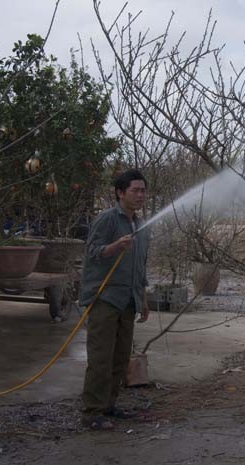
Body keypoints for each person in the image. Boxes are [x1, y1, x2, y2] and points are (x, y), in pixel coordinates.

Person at [79, 169, 150, 430]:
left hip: (129, 300)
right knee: (100, 357)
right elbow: (91, 253)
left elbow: (141, 266)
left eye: (143, 190)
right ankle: (91, 412)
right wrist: (114, 247)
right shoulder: (107, 220)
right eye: (135, 190)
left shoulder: (141, 225)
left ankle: (108, 405)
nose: (141, 195)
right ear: (120, 193)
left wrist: (143, 299)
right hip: (105, 297)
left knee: (120, 358)